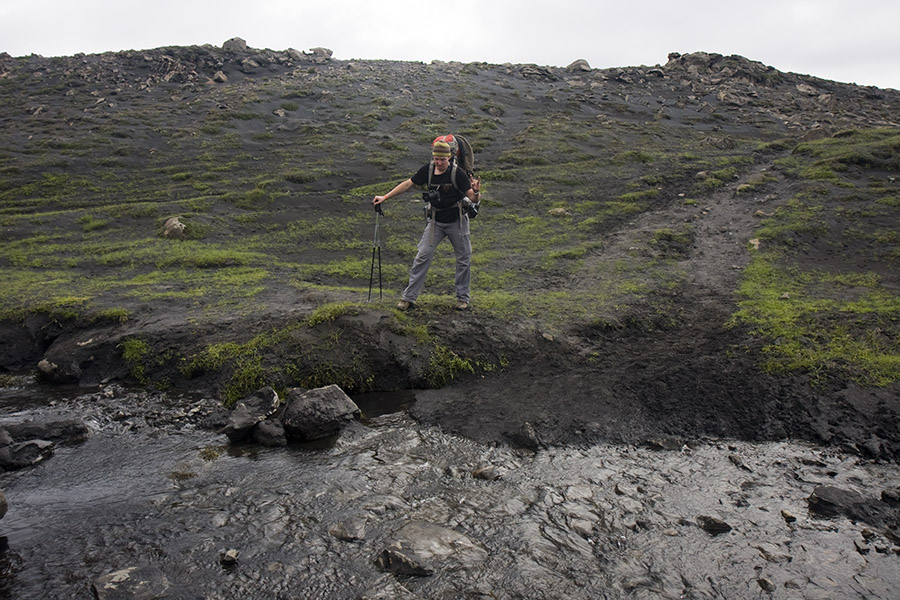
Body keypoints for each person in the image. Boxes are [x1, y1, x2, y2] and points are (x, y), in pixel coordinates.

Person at [373, 140, 482, 310]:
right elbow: (408, 184)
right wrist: (385, 197)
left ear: (449, 157)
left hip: (457, 221)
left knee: (464, 259)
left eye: (442, 160)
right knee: (422, 256)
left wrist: (476, 191)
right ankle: (408, 298)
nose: (439, 163)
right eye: (436, 159)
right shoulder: (428, 170)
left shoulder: (458, 174)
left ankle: (462, 299)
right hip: (435, 221)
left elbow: (473, 198)